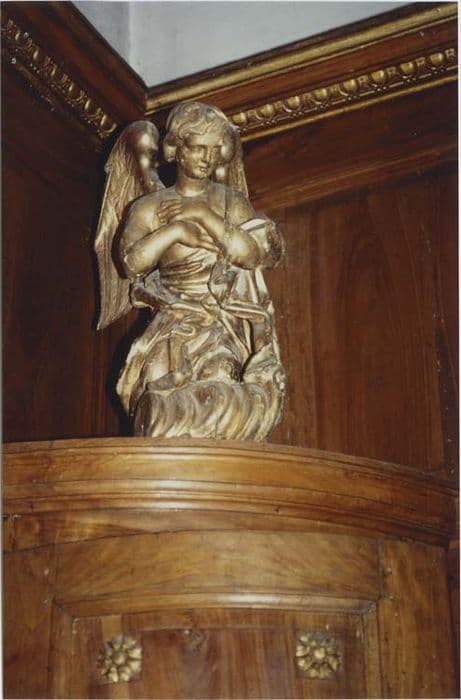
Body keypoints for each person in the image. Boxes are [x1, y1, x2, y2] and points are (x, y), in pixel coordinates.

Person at [117, 101, 285, 439]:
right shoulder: (149, 207)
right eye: (197, 148)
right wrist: (176, 231)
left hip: (221, 321)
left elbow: (251, 255)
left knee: (221, 390)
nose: (206, 158)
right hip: (173, 317)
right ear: (176, 149)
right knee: (155, 398)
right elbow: (131, 263)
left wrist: (201, 215)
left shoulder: (231, 202)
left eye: (213, 149)